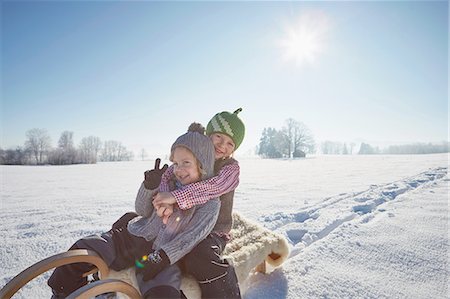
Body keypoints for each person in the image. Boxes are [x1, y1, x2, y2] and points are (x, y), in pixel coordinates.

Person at [47, 124, 220, 299]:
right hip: (133, 238)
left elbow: (190, 238)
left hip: (163, 255)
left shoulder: (210, 203)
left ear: (202, 164)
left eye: (186, 163)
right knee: (83, 251)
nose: (179, 169)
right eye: (176, 163)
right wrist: (149, 187)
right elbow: (142, 210)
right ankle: (63, 292)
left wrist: (163, 257)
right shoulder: (168, 184)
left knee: (163, 293)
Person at [152, 108, 245, 299]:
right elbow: (169, 174)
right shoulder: (193, 155)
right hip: (184, 226)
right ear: (208, 135)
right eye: (218, 136)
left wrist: (176, 196)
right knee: (158, 247)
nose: (222, 145)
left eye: (230, 143)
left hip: (213, 231)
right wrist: (164, 196)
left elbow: (214, 187)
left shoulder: (230, 169)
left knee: (199, 256)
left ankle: (227, 294)